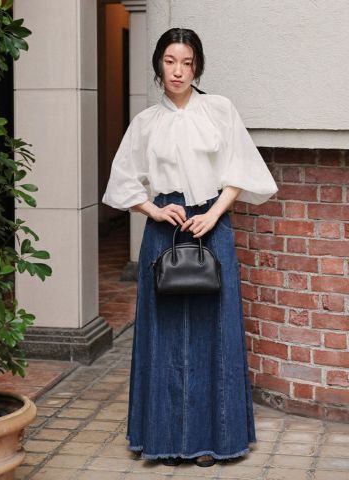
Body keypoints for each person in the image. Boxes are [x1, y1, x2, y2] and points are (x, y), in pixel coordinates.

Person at [102, 27, 278, 468]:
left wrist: (214, 215)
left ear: (197, 66)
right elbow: (123, 182)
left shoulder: (219, 109)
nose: (178, 71)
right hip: (165, 230)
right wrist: (153, 210)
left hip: (210, 228)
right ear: (158, 65)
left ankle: (211, 441)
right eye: (169, 61)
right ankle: (163, 439)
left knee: (213, 332)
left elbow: (239, 170)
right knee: (162, 333)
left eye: (186, 62)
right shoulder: (146, 122)